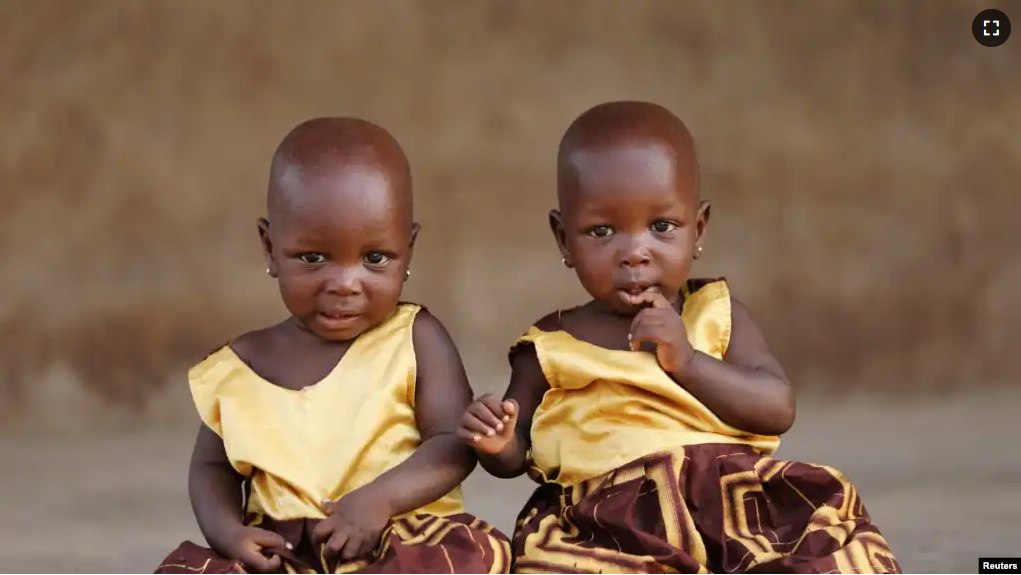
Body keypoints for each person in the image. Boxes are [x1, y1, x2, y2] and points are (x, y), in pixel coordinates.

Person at [458, 101, 901, 574]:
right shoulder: (549, 344)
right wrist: (498, 443)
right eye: (601, 231)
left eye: (662, 227)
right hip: (608, 518)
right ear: (564, 239)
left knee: (827, 545)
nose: (634, 253)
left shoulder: (716, 313)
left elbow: (776, 408)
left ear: (699, 229)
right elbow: (517, 456)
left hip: (731, 501)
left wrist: (688, 361)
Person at [157, 117, 510, 574]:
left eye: (375, 259)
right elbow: (211, 470)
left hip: (392, 537)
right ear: (269, 248)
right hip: (282, 552)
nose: (345, 284)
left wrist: (379, 500)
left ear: (410, 250)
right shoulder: (242, 364)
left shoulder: (414, 337)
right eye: (313, 258)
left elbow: (452, 445)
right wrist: (230, 534)